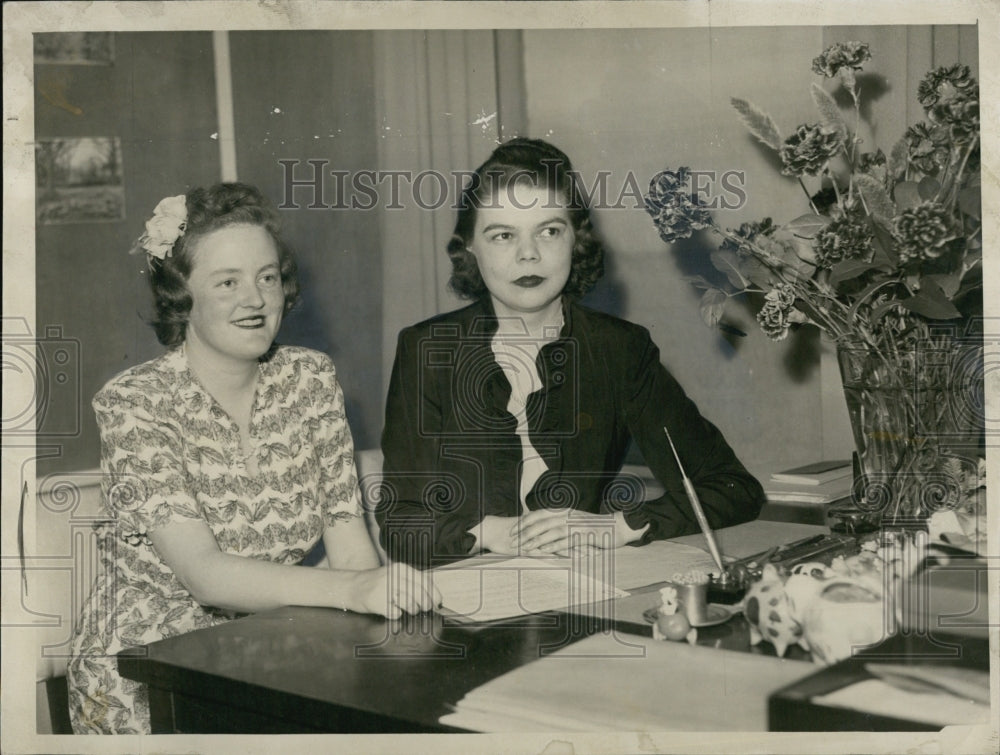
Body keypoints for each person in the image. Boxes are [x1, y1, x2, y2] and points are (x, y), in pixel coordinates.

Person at [67, 183, 438, 734]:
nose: (256, 299)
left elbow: (351, 547)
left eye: (267, 277)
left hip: (274, 645)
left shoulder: (309, 379)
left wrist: (378, 604)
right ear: (180, 296)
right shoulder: (135, 404)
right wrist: (352, 592)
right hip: (148, 668)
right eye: (227, 282)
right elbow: (205, 577)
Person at [377, 138, 765, 567]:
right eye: (503, 235)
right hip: (465, 598)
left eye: (549, 231)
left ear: (575, 240)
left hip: (582, 590)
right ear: (470, 247)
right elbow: (401, 524)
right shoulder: (426, 350)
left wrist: (615, 527)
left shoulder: (619, 349)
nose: (529, 254)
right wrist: (491, 532)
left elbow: (733, 488)